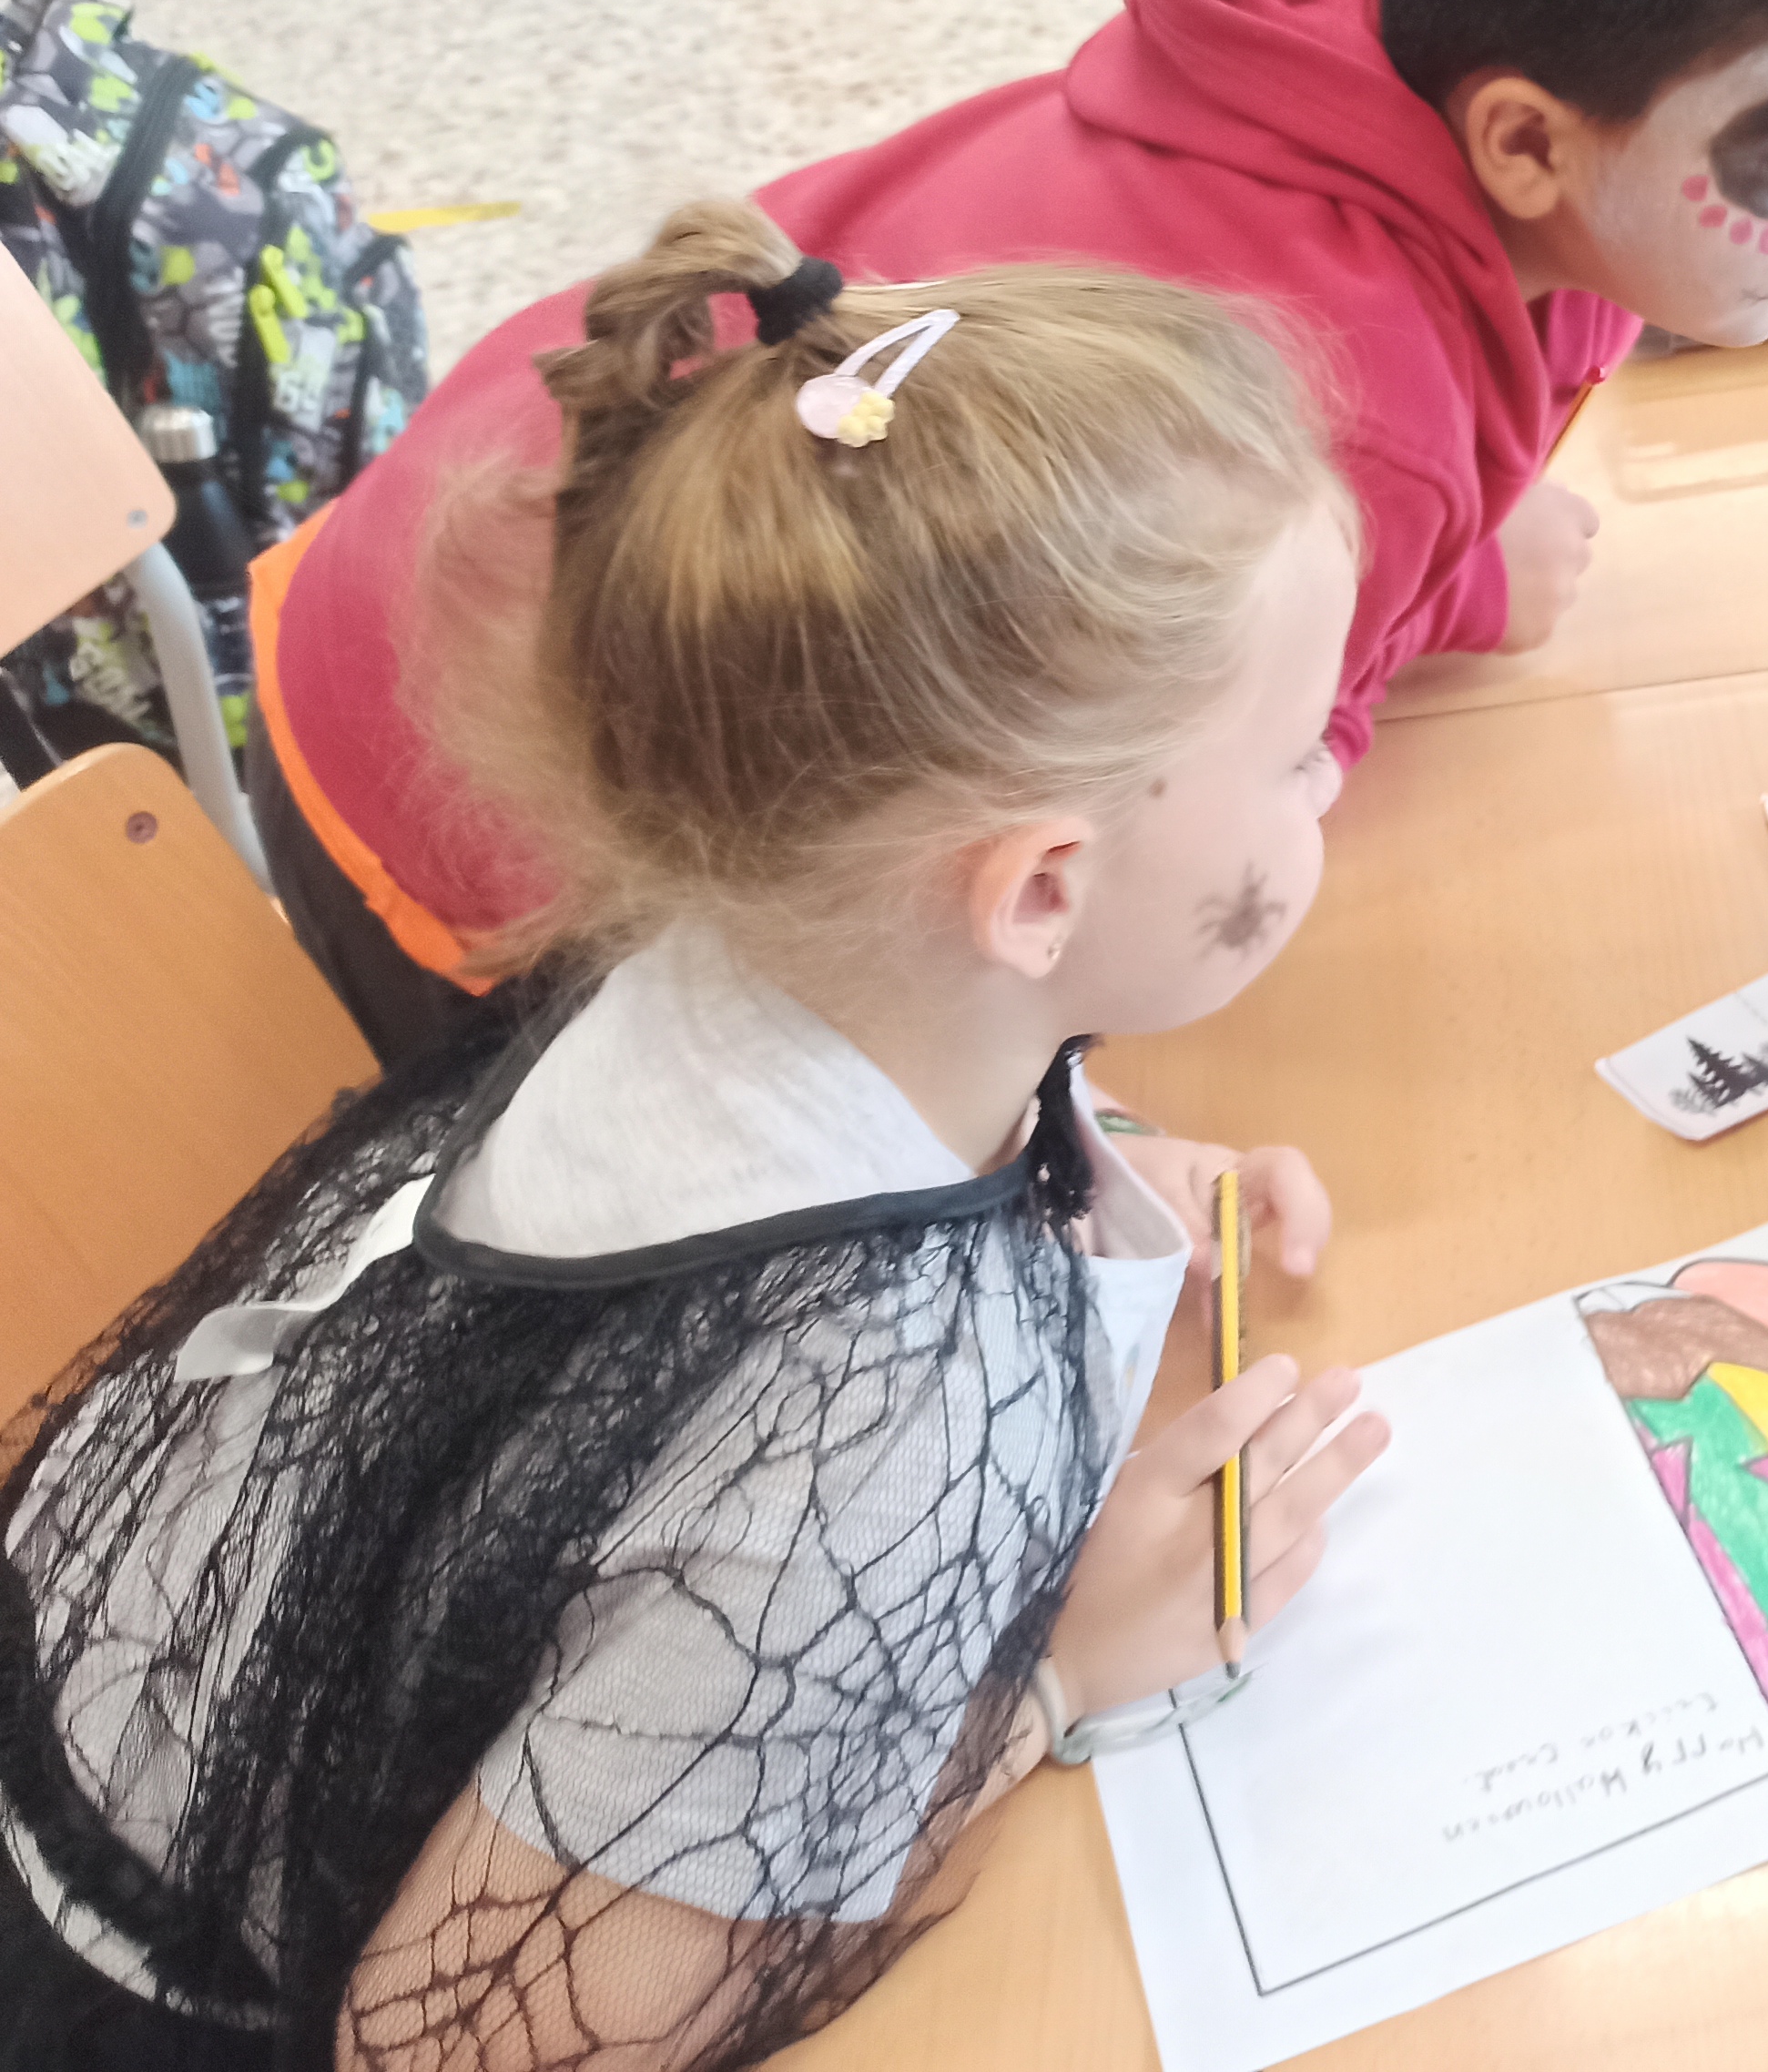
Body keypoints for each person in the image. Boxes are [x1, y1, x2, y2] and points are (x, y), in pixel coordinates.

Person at [0, 202, 1397, 2070]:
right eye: (1298, 751)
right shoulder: (873, 1414)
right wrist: (1058, 1672)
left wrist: (1093, 1160)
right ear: (1040, 891)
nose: (1330, 776)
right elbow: (454, 2043)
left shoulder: (761, 934)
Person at [253, 0, 1768, 1070]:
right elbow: (1170, 838)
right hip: (484, 827)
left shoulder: (1413, 38)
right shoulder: (1345, 404)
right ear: (1525, 141)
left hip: (453, 531)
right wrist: (1448, 571)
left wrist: (1449, 549)